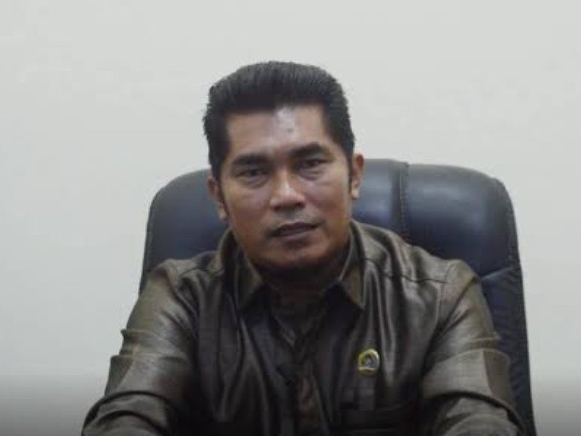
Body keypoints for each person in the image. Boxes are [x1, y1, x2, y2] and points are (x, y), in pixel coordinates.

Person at [83, 61, 524, 435]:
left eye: (310, 164)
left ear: (354, 176)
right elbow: (127, 416)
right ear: (218, 197)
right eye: (254, 172)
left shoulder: (439, 296)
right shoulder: (182, 298)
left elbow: (478, 421)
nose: (286, 195)